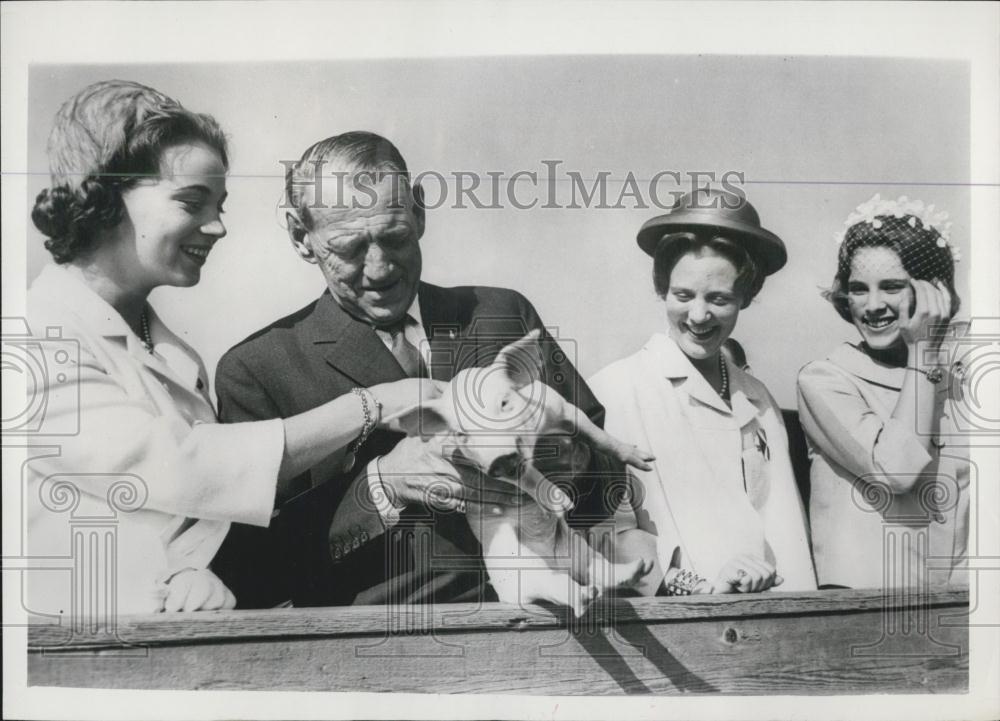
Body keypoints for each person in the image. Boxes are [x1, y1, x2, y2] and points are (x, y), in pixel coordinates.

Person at [25, 81, 435, 616]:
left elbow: (206, 527)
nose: (217, 226)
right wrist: (374, 403)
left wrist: (197, 575)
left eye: (219, 204)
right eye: (192, 201)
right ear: (105, 197)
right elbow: (179, 468)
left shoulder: (174, 354)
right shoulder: (35, 336)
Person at [212, 131, 618, 608]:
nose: (380, 268)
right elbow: (250, 572)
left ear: (420, 211)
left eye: (395, 237)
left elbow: (609, 488)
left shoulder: (502, 316)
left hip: (556, 627)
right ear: (302, 238)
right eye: (348, 248)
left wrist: (564, 459)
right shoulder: (258, 369)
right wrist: (380, 486)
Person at [589, 188, 817, 595]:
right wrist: (701, 587)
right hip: (673, 627)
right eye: (683, 295)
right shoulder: (615, 389)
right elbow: (606, 534)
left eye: (719, 299)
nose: (698, 315)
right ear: (662, 289)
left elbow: (784, 527)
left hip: (768, 621)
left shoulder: (758, 397)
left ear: (745, 298)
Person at [796, 194, 968, 589]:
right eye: (859, 289)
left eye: (891, 287)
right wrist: (923, 350)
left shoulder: (964, 378)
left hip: (954, 612)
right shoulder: (824, 379)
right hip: (862, 613)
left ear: (933, 292)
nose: (873, 306)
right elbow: (898, 471)